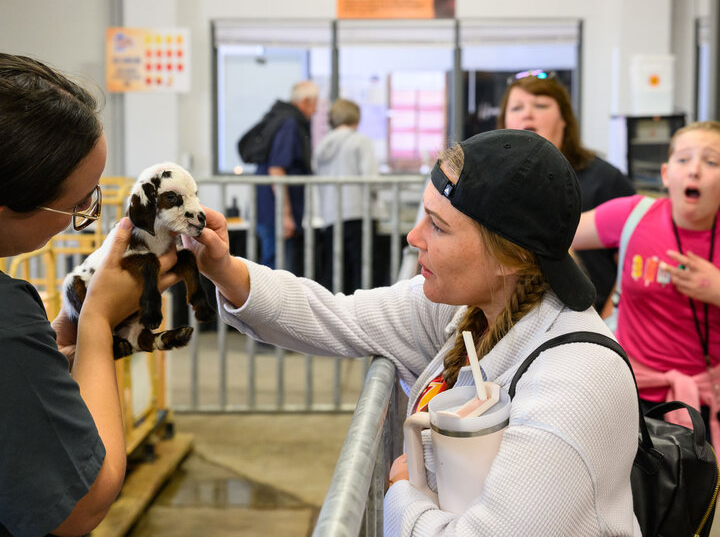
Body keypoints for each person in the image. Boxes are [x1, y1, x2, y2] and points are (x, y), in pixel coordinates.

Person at [183, 129, 639, 535]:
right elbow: (334, 315)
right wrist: (223, 269)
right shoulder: (465, 311)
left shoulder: (577, 382)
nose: (413, 237)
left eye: (438, 226)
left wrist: (403, 495)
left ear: (511, 257)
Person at [0, 53, 179, 536]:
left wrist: (51, 340)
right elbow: (82, 503)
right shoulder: (7, 319)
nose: (85, 214)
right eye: (77, 203)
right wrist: (98, 321)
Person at [573, 120, 720, 445]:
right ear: (667, 175)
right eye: (684, 159)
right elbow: (557, 234)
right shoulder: (634, 215)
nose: (694, 170)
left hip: (708, 401)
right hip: (631, 390)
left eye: (711, 161)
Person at [498, 73, 635, 313]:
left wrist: (609, 321)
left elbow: (631, 259)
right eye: (516, 107)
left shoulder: (604, 180)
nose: (527, 113)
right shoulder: (495, 183)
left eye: (541, 105)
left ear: (564, 119)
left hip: (590, 315)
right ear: (504, 123)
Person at [314, 98, 379, 293]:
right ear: (356, 117)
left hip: (331, 216)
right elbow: (371, 180)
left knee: (335, 273)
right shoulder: (361, 141)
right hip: (359, 214)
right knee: (363, 273)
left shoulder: (321, 146)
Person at [254, 80, 318, 273]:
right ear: (306, 101)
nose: (315, 111)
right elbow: (277, 170)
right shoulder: (290, 123)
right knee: (278, 272)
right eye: (315, 104)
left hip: (271, 212)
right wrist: (286, 215)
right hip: (276, 214)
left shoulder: (283, 118)